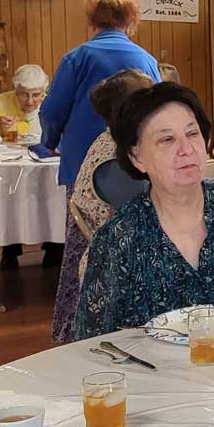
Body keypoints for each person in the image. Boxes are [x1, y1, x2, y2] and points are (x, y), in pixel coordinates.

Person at [74, 83, 214, 340]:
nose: (186, 150)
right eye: (167, 139)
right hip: (151, 377)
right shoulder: (117, 240)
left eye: (192, 134)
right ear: (137, 157)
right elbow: (91, 345)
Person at [50, 68, 154, 342]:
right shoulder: (114, 160)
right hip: (120, 270)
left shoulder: (121, 145)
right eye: (150, 97)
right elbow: (155, 212)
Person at [39, 0, 161, 189]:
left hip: (83, 161)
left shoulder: (76, 59)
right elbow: (158, 112)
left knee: (84, 218)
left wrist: (49, 143)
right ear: (131, 20)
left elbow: (51, 111)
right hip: (134, 163)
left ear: (92, 20)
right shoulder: (146, 60)